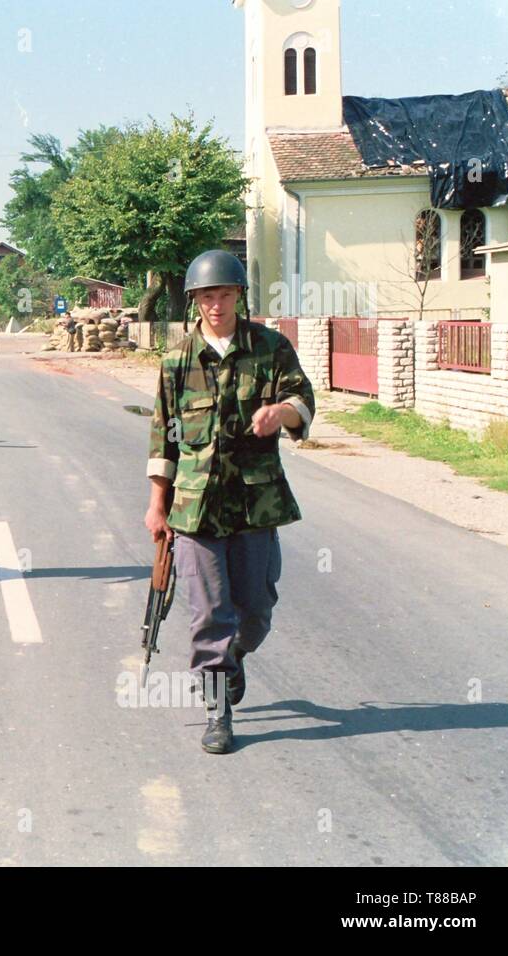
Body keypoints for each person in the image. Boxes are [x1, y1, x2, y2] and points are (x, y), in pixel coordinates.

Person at [143, 250, 314, 754]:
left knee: (256, 610)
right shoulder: (176, 361)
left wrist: (281, 412)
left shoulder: (271, 347)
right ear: (194, 301)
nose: (215, 305)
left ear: (239, 295)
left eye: (224, 294)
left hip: (255, 504)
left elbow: (304, 399)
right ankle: (218, 710)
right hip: (195, 508)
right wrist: (157, 504)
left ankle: (235, 655)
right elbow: (164, 438)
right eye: (205, 297)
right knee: (210, 613)